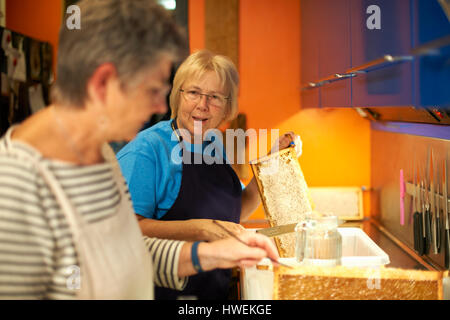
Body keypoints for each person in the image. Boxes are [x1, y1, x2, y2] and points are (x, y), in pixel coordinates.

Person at [0, 0, 280, 300]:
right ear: (102, 83)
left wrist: (209, 255)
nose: (161, 106)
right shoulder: (17, 188)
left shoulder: (99, 157)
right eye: (153, 90)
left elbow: (127, 249)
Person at [116, 49, 302, 300]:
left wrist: (273, 161)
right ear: (178, 96)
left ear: (227, 107)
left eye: (214, 97)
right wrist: (202, 229)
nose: (202, 105)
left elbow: (236, 210)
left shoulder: (212, 144)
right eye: (193, 93)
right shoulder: (147, 151)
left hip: (211, 292)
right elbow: (125, 232)